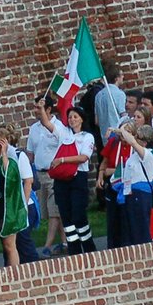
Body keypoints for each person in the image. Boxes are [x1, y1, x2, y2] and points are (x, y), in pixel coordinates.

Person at [0, 125, 39, 266]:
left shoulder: (17, 156)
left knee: (12, 245)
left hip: (10, 205)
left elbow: (27, 181)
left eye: (0, 142)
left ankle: (17, 275)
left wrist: (23, 207)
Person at [51, 106, 96, 253]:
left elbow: (84, 157)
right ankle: (74, 250)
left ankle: (89, 248)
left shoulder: (87, 137)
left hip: (78, 179)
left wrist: (62, 160)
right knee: (67, 216)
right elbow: (48, 123)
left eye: (75, 117)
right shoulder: (64, 134)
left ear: (82, 119)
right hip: (62, 180)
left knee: (78, 215)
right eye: (70, 117)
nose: (72, 120)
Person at [25, 97, 66, 256]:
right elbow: (30, 152)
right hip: (40, 174)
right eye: (35, 107)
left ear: (48, 109)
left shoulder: (58, 126)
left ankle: (47, 246)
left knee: (54, 210)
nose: (35, 110)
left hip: (54, 174)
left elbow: (50, 128)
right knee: (50, 212)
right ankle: (65, 242)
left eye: (39, 107)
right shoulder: (34, 128)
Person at [110, 123, 153, 246]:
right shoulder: (135, 155)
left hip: (140, 195)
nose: (135, 139)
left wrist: (123, 130)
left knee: (140, 230)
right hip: (130, 193)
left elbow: (132, 141)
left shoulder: (147, 154)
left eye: (138, 137)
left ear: (144, 142)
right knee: (132, 230)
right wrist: (118, 130)